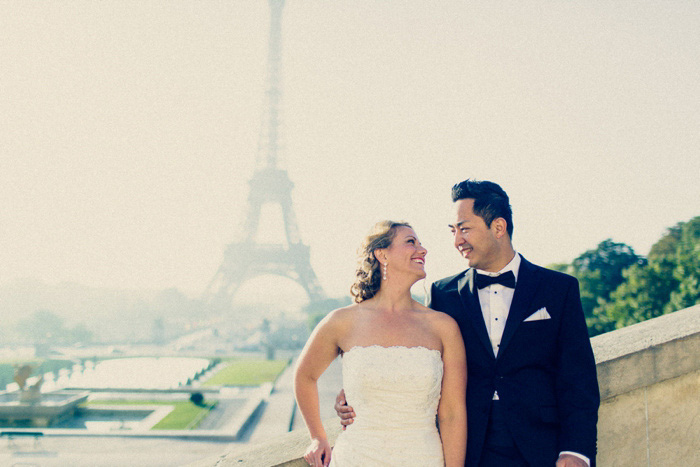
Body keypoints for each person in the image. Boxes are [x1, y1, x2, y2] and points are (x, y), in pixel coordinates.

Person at [336, 180, 600, 467]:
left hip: (543, 448)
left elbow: (579, 379)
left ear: (498, 227)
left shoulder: (558, 289)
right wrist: (355, 391)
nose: (456, 241)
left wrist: (577, 451)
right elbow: (418, 358)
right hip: (470, 449)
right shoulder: (443, 294)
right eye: (453, 231)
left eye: (464, 229)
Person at [294, 221, 467, 467]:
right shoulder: (342, 321)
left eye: (420, 243)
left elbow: (452, 413)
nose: (423, 249)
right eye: (411, 242)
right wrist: (317, 437)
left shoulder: (443, 327)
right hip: (355, 458)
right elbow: (304, 375)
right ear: (382, 254)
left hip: (423, 458)